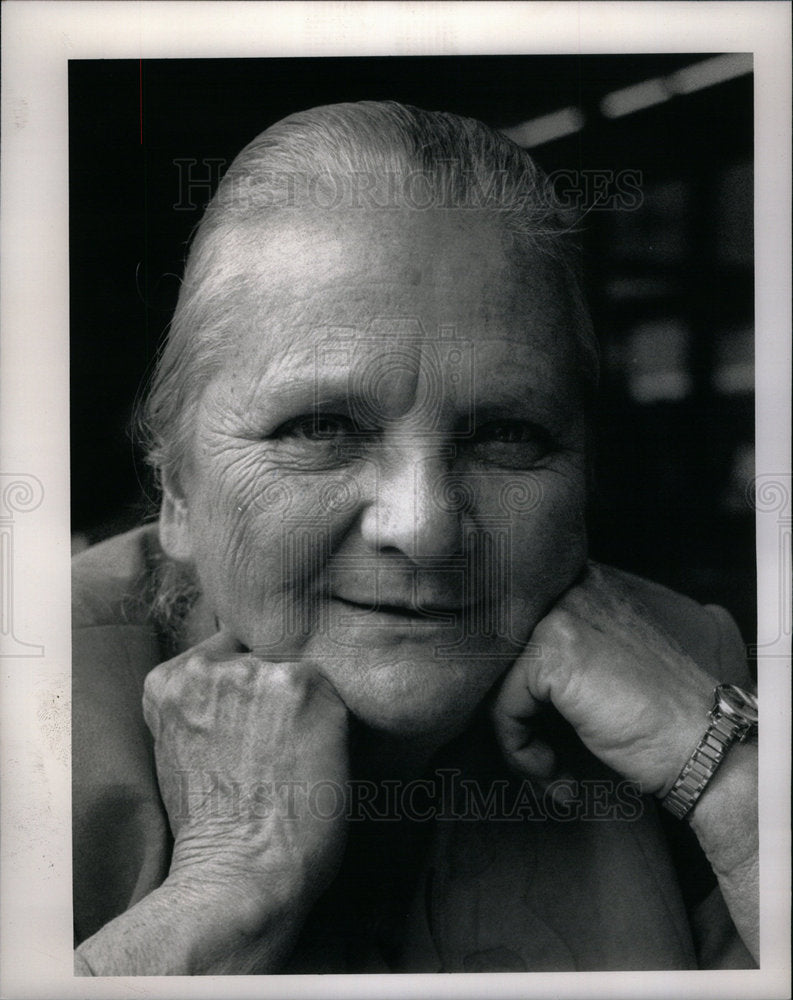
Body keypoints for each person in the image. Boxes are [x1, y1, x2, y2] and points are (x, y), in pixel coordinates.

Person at [72, 101, 758, 975]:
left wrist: (729, 787)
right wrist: (230, 884)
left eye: (506, 434)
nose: (425, 527)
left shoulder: (691, 673)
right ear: (175, 487)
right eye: (320, 426)